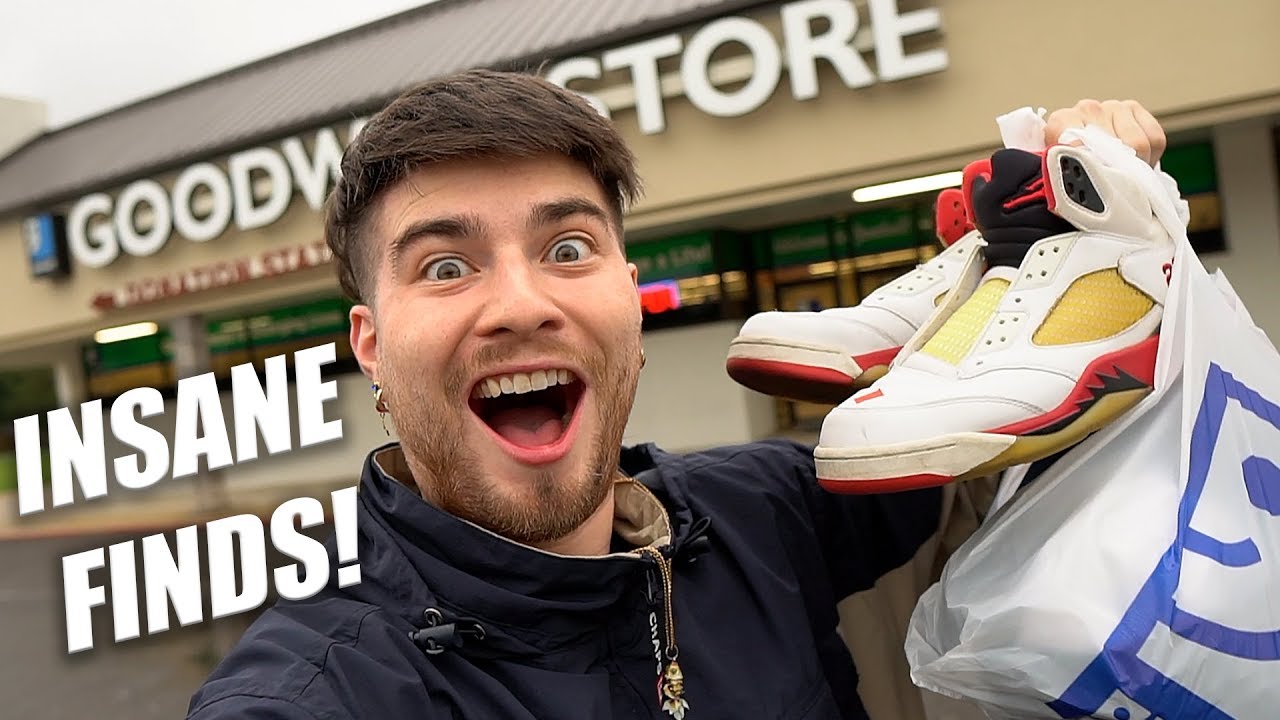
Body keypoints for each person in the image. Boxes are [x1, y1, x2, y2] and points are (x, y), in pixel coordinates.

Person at [185, 70, 1167, 719]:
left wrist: (1053, 240)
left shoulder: (759, 515)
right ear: (372, 350)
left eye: (567, 249)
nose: (520, 304)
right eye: (444, 268)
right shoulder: (319, 693)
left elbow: (999, 446)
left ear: (630, 303)